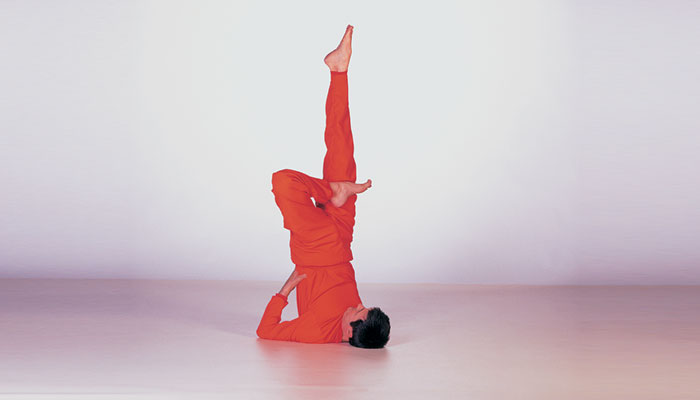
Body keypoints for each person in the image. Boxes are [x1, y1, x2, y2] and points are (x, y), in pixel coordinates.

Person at [256, 25, 390, 349]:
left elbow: (266, 331)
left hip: (315, 248)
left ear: (350, 332)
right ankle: (338, 70)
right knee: (341, 142)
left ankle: (333, 190)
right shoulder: (359, 322)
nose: (358, 304)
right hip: (342, 238)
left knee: (284, 182)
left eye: (358, 311)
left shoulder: (316, 332)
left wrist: (285, 292)